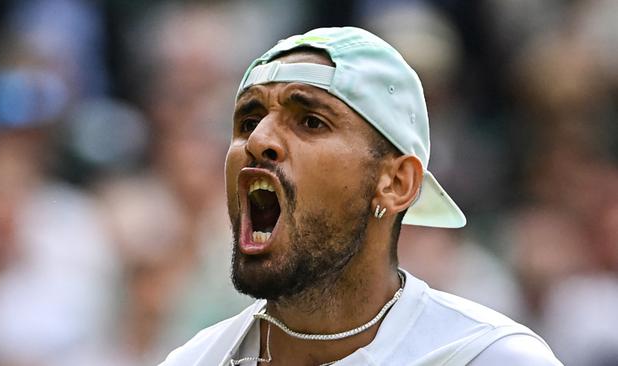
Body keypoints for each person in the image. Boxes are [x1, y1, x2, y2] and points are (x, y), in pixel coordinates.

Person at [159, 27, 562, 366]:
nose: (259, 139)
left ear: (397, 183)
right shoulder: (192, 361)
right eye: (249, 120)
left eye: (311, 121)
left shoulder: (492, 358)